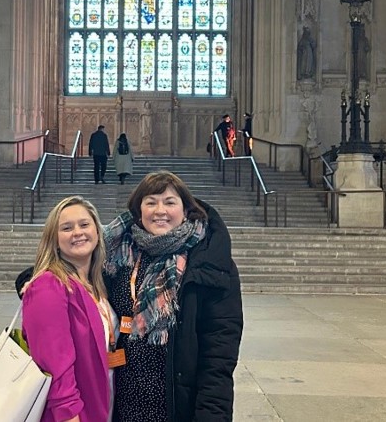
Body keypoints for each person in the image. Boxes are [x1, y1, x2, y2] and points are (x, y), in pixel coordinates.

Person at [103, 171, 243, 421]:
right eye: (150, 202)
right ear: (139, 210)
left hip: (178, 405)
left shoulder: (208, 261)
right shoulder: (119, 253)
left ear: (185, 209)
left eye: (169, 202)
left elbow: (218, 355)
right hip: (122, 401)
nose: (160, 210)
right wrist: (39, 283)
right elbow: (75, 273)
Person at [21, 196, 116, 422]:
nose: (77, 232)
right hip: (72, 413)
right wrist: (68, 413)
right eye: (66, 228)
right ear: (54, 240)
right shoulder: (48, 285)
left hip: (102, 402)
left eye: (84, 224)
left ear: (97, 231)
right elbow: (54, 361)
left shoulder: (97, 284)